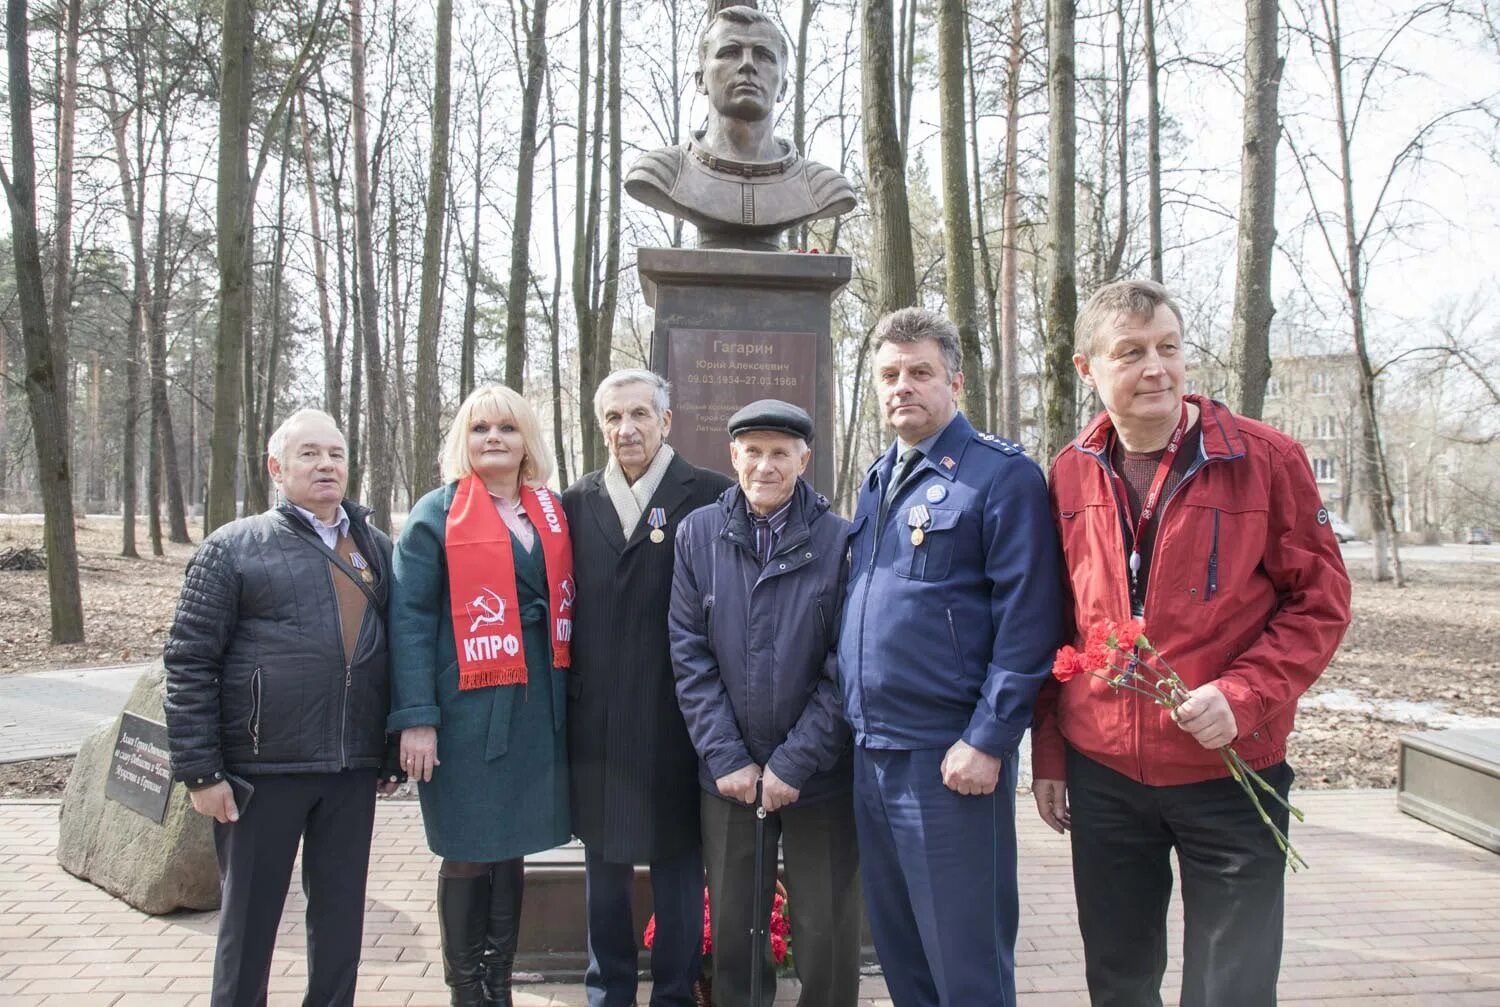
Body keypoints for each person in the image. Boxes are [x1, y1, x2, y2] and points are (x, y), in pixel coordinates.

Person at [1031, 279, 1353, 1007]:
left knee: (1232, 987)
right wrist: (1050, 752)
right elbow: (1054, 626)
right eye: (1132, 352)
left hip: (1231, 769)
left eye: (1169, 349)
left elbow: (1321, 601)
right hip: (1104, 776)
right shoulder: (1068, 471)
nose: (1157, 368)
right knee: (1118, 980)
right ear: (1088, 369)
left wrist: (1243, 696)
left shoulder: (1267, 460)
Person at [839, 308, 1065, 1007]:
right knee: (904, 957)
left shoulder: (1000, 476)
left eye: (919, 372)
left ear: (955, 381)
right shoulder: (879, 478)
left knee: (964, 966)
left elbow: (1030, 621)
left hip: (950, 759)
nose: (902, 385)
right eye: (888, 374)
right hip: (873, 753)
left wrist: (989, 737)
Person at [164, 408, 401, 1007]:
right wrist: (200, 770)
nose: (326, 465)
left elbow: (399, 650)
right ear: (277, 467)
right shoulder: (234, 548)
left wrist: (389, 749)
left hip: (349, 771)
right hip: (261, 773)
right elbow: (190, 662)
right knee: (248, 927)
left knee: (341, 923)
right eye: (309, 454)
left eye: (336, 454)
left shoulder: (375, 547)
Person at [670, 400, 861, 1007]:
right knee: (735, 930)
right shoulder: (698, 535)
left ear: (805, 459)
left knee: (825, 930)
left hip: (818, 777)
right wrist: (727, 758)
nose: (766, 466)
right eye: (753, 452)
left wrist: (794, 764)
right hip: (727, 778)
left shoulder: (839, 541)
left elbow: (844, 666)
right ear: (733, 457)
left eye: (781, 453)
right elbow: (689, 654)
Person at [388, 385, 574, 1007]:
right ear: (462, 442)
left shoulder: (549, 513)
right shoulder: (435, 514)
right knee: (469, 848)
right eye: (479, 429)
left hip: (533, 708)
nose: (493, 438)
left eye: (507, 428)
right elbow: (409, 620)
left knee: (511, 847)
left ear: (527, 442)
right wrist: (417, 720)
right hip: (466, 713)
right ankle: (466, 988)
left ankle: (499, 982)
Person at [562, 369, 733, 1007]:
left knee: (680, 868)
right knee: (602, 869)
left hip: (678, 717)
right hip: (598, 720)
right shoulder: (577, 502)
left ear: (667, 420)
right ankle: (607, 989)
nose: (625, 429)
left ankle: (674, 991)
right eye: (613, 418)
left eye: (639, 415)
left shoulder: (712, 495)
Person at [624, 1, 854, 250]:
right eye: (730, 52)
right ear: (701, 80)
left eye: (763, 55)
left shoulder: (820, 187)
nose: (748, 64)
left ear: (783, 88)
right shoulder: (664, 173)